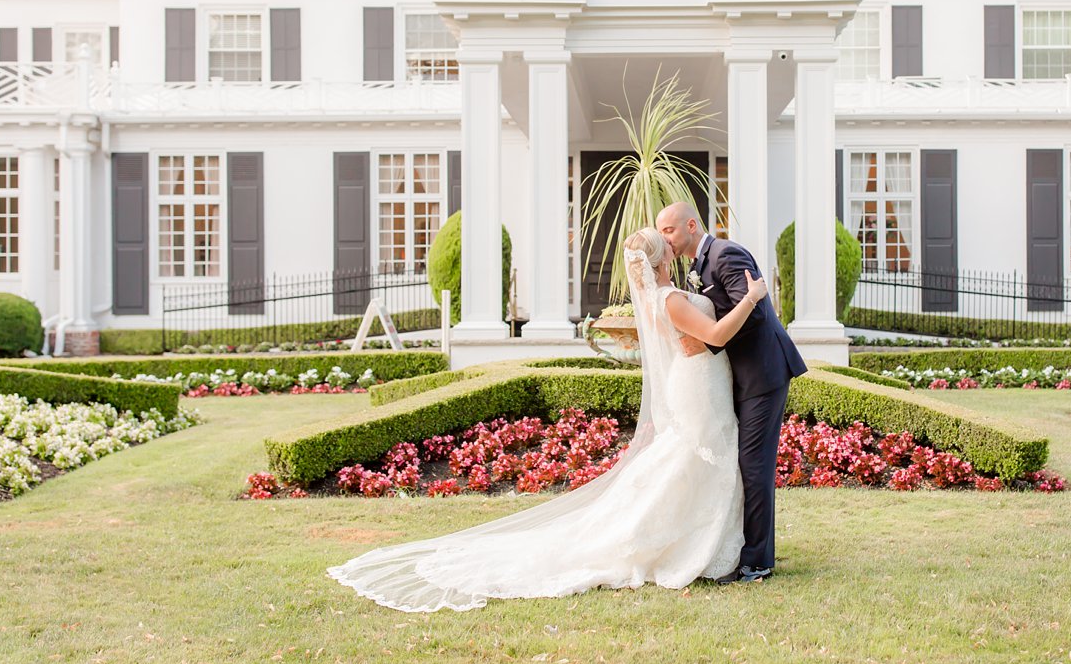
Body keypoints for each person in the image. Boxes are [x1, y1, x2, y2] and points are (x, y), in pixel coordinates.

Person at [326, 226, 767, 613]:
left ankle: (699, 540)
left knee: (696, 457)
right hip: (696, 384)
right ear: (661, 258)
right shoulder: (668, 298)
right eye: (665, 240)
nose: (673, 244)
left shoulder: (660, 296)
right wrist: (751, 298)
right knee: (696, 456)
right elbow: (712, 334)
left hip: (698, 381)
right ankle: (673, 541)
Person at [655, 201, 807, 585]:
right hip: (736, 378)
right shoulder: (693, 268)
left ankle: (756, 563)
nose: (665, 238)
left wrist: (709, 342)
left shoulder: (726, 253)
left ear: (692, 225)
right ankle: (746, 547)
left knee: (754, 466)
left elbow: (753, 312)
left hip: (763, 373)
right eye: (661, 232)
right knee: (742, 464)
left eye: (669, 230)